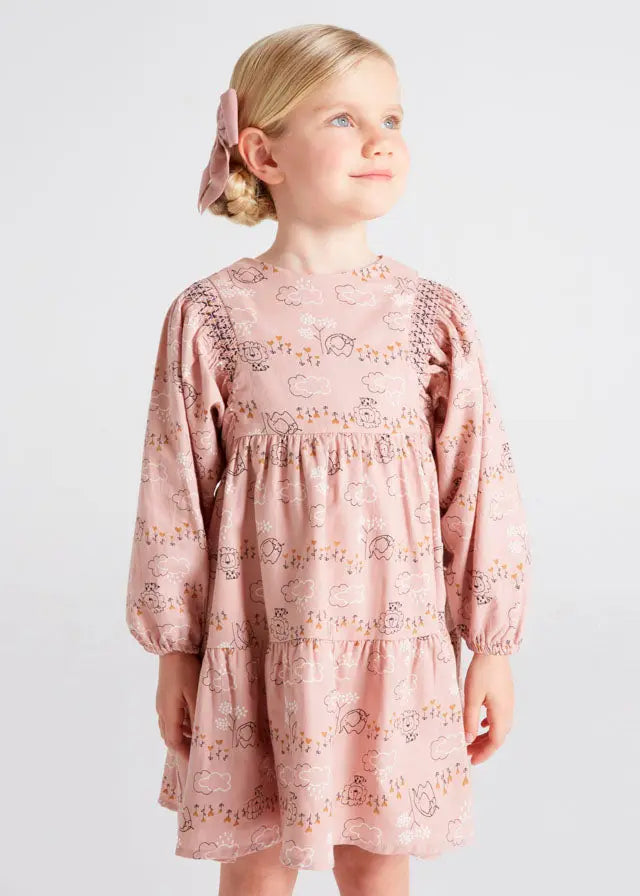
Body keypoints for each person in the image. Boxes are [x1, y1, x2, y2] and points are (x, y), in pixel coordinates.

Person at [125, 23, 532, 896]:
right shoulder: (212, 316)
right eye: (344, 119)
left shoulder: (431, 316)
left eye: (392, 118)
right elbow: (172, 495)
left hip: (394, 642)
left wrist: (490, 647)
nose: (380, 139)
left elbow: (479, 485)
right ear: (263, 153)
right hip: (260, 638)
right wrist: (176, 653)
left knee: (378, 861)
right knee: (257, 863)